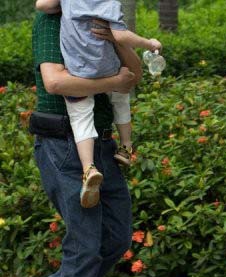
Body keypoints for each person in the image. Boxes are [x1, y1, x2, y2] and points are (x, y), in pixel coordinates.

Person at [9, 9, 141, 277]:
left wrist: (117, 41)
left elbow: (133, 78)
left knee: (115, 237)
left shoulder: (102, 16)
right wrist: (111, 80)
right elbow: (56, 83)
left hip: (102, 146)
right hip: (62, 145)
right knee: (84, 242)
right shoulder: (51, 21)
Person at [35, 0, 160, 208]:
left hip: (79, 72)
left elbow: (43, 4)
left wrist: (115, 41)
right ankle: (126, 145)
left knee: (81, 116)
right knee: (121, 96)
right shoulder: (109, 5)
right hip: (106, 72)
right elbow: (55, 83)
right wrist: (149, 44)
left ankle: (89, 169)